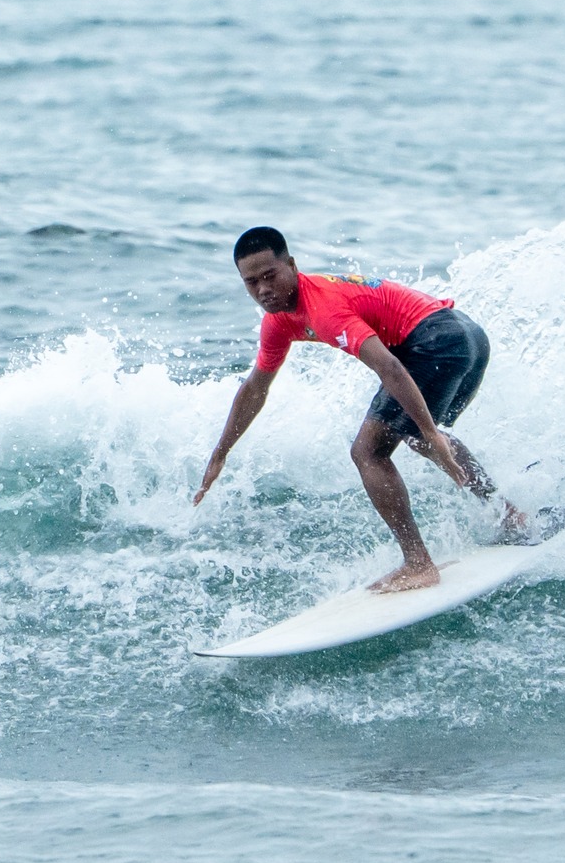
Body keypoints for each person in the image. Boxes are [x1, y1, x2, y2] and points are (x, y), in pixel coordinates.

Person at [192, 226, 527, 592]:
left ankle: (419, 563)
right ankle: (510, 516)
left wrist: (431, 433)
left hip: (440, 342)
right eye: (251, 282)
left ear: (292, 265)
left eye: (270, 276)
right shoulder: (278, 322)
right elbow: (255, 388)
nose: (263, 290)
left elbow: (389, 367)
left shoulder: (324, 308)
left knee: (368, 451)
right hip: (465, 335)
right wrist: (220, 453)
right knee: (416, 435)